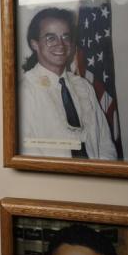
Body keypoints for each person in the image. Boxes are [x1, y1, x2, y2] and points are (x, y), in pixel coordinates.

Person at [19, 8, 118, 159]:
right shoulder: (24, 91)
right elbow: (27, 152)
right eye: (50, 38)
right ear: (35, 44)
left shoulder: (84, 86)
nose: (61, 44)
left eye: (65, 37)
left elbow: (105, 144)